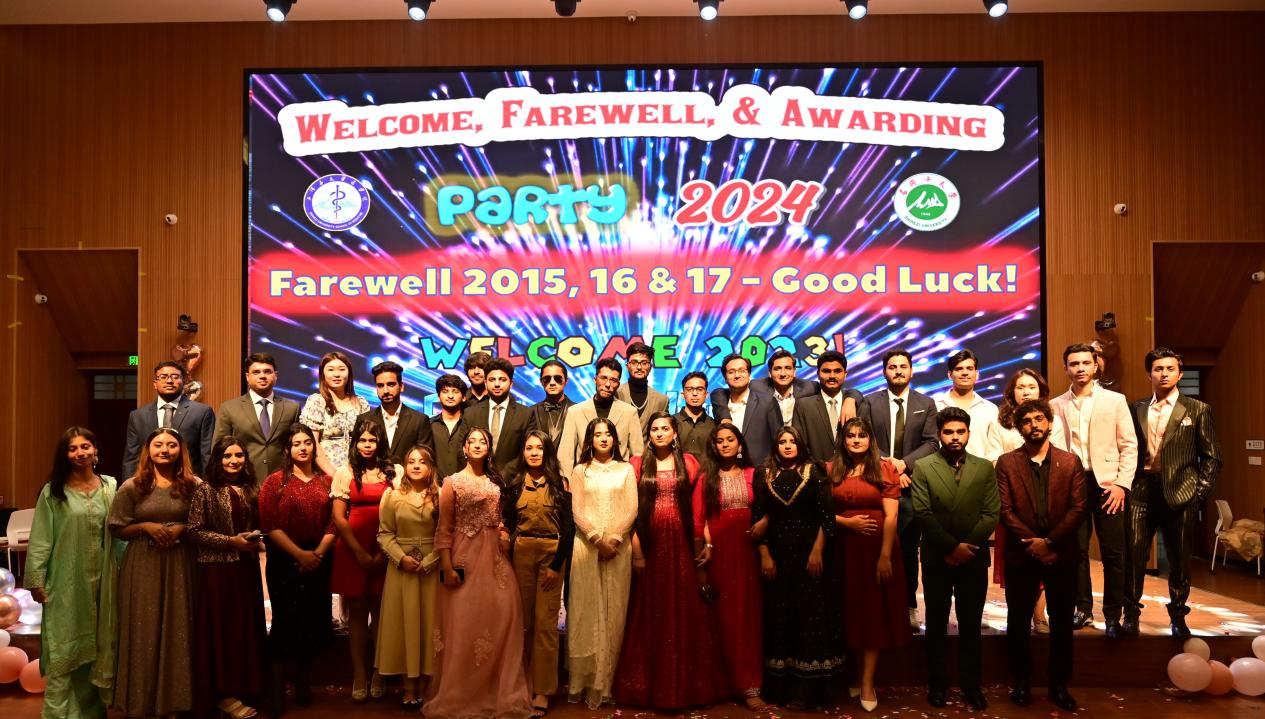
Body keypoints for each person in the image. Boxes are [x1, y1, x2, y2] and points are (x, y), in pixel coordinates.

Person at [614, 412, 728, 709]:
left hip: (681, 544)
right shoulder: (636, 464)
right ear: (649, 434)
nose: (660, 433)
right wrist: (637, 552)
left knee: (685, 608)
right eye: (655, 429)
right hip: (650, 543)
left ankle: (687, 686)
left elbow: (699, 509)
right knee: (650, 609)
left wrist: (707, 541)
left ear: (675, 433)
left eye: (665, 428)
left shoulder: (689, 463)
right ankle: (651, 686)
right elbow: (631, 513)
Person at [423, 428, 533, 718]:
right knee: (463, 623)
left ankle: (494, 691)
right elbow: (444, 527)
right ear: (464, 448)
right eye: (471, 441)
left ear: (489, 448)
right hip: (463, 555)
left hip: (494, 557)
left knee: (502, 616)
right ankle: (459, 694)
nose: (476, 445)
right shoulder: (452, 482)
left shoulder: (496, 481)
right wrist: (446, 565)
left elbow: (500, 519)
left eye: (482, 441)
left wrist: (505, 532)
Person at [995, 400, 1087, 712]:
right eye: (1027, 421)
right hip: (1022, 554)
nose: (1034, 425)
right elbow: (1005, 510)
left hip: (1061, 554)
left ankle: (1059, 683)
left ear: (1049, 423)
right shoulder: (1007, 463)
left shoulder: (1070, 462)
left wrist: (1049, 543)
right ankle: (1021, 681)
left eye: (1039, 419)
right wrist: (1033, 544)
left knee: (1061, 623)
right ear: (1018, 427)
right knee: (1018, 621)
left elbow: (1078, 508)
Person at [1125, 348, 1222, 638]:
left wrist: (1198, 493)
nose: (1164, 374)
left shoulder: (1197, 409)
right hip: (1141, 490)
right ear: (1149, 374)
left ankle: (1178, 616)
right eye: (1158, 369)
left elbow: (1212, 457)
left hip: (1181, 492)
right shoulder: (1136, 407)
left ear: (1179, 374)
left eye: (1170, 369)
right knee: (1134, 556)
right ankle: (1131, 615)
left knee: (1179, 560)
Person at [26, 427, 121, 719]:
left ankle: (92, 713)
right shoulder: (53, 492)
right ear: (65, 455)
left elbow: (119, 533)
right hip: (66, 580)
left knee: (98, 646)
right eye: (72, 448)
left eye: (85, 446)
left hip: (104, 582)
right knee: (65, 647)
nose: (80, 453)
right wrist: (36, 579)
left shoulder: (109, 487)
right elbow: (41, 539)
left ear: (95, 450)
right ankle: (57, 714)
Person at [108, 427, 200, 718]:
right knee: (143, 628)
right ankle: (141, 701)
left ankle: (177, 702)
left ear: (180, 450)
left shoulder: (194, 485)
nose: (164, 450)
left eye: (171, 445)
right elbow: (116, 527)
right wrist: (144, 527)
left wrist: (183, 528)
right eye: (158, 445)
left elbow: (205, 524)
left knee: (179, 628)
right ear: (148, 450)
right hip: (143, 563)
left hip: (182, 563)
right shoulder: (132, 486)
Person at [911, 407, 998, 711]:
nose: (955, 437)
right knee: (935, 624)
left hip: (973, 557)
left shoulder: (984, 467)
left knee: (971, 625)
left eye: (960, 431)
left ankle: (971, 685)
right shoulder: (923, 466)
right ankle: (938, 685)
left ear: (969, 434)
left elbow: (991, 514)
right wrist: (951, 548)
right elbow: (922, 512)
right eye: (948, 432)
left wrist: (965, 547)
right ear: (939, 435)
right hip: (937, 557)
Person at [751, 426, 842, 709]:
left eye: (792, 441)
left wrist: (817, 551)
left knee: (809, 619)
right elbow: (757, 518)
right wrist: (765, 555)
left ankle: (809, 691)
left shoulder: (814, 471)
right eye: (782, 441)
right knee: (781, 619)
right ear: (775, 445)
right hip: (778, 555)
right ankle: (781, 689)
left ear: (801, 444)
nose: (788, 445)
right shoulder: (763, 473)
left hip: (810, 554)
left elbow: (826, 516)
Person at [1050, 342, 1137, 636]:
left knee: (1114, 553)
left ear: (1096, 365)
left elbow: (1129, 445)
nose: (1080, 368)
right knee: (1076, 552)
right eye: (1074, 364)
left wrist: (1122, 484)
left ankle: (1113, 615)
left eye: (1085, 363)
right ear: (1066, 368)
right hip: (1073, 484)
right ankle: (1083, 609)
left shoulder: (1115, 400)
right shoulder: (1056, 404)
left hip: (1109, 485)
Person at [829, 417, 908, 713]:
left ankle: (867, 682)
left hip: (876, 549)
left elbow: (892, 516)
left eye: (862, 435)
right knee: (851, 612)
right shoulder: (832, 469)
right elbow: (820, 511)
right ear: (843, 440)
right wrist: (846, 523)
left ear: (870, 439)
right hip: (843, 548)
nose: (856, 440)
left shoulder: (884, 468)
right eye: (850, 435)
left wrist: (885, 556)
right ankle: (856, 674)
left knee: (873, 615)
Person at [187, 436, 268, 719]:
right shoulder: (206, 490)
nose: (234, 461)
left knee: (245, 629)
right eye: (227, 456)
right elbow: (194, 531)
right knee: (223, 632)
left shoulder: (251, 488)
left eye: (239, 455)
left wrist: (255, 538)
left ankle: (245, 687)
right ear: (217, 459)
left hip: (246, 569)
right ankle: (223, 694)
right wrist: (231, 541)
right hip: (217, 571)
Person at [858, 348, 938, 632]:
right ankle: (878, 605)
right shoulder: (870, 402)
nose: (898, 371)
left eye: (903, 366)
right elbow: (863, 438)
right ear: (884, 372)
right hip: (876, 484)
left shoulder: (926, 403)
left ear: (911, 370)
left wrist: (904, 465)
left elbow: (932, 442)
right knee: (875, 547)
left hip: (910, 486)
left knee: (907, 550)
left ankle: (909, 605)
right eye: (892, 366)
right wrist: (889, 468)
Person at [258, 423, 335, 716]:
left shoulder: (327, 482)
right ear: (287, 449)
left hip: (318, 559)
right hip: (284, 562)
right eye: (297, 443)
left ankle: (304, 683)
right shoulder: (274, 482)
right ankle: (277, 690)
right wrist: (300, 555)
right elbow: (270, 525)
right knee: (284, 624)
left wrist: (316, 554)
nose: (303, 448)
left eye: (307, 443)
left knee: (311, 624)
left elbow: (334, 523)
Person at [984, 368, 1068, 633]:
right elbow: (993, 456)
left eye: (1031, 386)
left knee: (1047, 556)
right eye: (1020, 387)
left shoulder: (1052, 419)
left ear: (1040, 390)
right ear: (1012, 392)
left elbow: (1061, 455)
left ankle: (1039, 613)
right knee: (1018, 561)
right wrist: (1014, 472)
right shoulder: (1000, 421)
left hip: (1048, 495)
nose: (1026, 391)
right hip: (1012, 496)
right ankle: (1020, 613)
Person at [566, 417, 638, 709]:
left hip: (619, 549)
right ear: (590, 439)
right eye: (598, 434)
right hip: (586, 547)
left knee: (615, 610)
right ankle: (584, 681)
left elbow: (632, 509)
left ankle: (609, 682)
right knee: (585, 611)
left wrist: (615, 539)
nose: (604, 438)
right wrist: (597, 540)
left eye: (608, 434)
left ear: (615, 439)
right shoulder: (580, 470)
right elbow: (577, 511)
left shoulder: (626, 469)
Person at [502, 430, 574, 717]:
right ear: (523, 452)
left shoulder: (559, 484)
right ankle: (522, 684)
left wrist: (556, 566)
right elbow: (508, 522)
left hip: (550, 554)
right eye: (529, 448)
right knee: (524, 623)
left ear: (547, 452)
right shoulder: (515, 485)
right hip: (522, 552)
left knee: (546, 625)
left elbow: (568, 528)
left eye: (539, 448)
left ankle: (543, 690)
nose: (534, 453)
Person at [697, 424, 765, 710]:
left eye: (730, 440)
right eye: (719, 441)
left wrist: (765, 523)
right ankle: (723, 684)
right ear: (713, 447)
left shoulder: (753, 474)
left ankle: (749, 684)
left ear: (740, 445)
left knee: (747, 617)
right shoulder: (706, 478)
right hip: (719, 555)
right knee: (722, 619)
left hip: (749, 553)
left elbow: (767, 508)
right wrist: (708, 545)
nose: (725, 444)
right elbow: (699, 518)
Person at [330, 416, 396, 702]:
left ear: (380, 442)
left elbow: (400, 512)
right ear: (355, 443)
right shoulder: (344, 472)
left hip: (386, 547)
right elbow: (338, 518)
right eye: (362, 440)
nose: (367, 445)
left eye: (372, 440)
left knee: (382, 614)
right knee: (357, 616)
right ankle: (359, 675)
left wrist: (383, 552)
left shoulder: (395, 472)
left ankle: (379, 673)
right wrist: (359, 553)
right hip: (352, 548)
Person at [375, 445, 440, 708]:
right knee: (403, 625)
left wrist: (430, 560)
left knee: (428, 625)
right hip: (401, 568)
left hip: (430, 570)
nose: (416, 465)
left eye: (422, 461)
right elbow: (384, 534)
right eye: (411, 461)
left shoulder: (441, 495)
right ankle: (408, 686)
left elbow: (447, 534)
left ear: (430, 467)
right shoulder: (391, 496)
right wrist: (401, 558)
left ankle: (426, 684)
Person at [214, 353, 301, 484]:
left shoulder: (291, 408)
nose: (262, 376)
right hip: (243, 482)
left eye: (267, 371)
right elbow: (218, 450)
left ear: (275, 376)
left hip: (283, 481)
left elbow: (298, 446)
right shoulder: (229, 408)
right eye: (256, 372)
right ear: (247, 377)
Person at [123, 360, 216, 478]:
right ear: (155, 383)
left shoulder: (202, 412)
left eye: (175, 377)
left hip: (189, 482)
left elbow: (206, 454)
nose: (169, 381)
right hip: (148, 483)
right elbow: (132, 458)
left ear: (184, 382)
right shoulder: (138, 416)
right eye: (163, 377)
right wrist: (130, 486)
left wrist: (207, 486)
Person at [558, 358, 644, 476]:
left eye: (613, 380)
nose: (608, 384)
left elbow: (637, 454)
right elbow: (565, 455)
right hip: (585, 480)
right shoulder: (575, 412)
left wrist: (632, 482)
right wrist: (568, 482)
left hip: (618, 480)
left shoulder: (629, 412)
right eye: (603, 378)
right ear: (595, 379)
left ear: (618, 384)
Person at [300, 351, 372, 478]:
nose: (337, 374)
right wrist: (335, 475)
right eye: (331, 369)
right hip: (326, 475)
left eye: (342, 369)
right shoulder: (317, 401)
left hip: (359, 474)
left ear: (349, 373)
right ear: (323, 374)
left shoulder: (361, 403)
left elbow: (369, 439)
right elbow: (312, 443)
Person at [465, 357, 536, 474]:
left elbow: (528, 449)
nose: (497, 384)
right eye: (492, 380)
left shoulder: (525, 413)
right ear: (485, 383)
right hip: (477, 477)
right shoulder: (470, 413)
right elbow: (462, 448)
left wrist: (505, 476)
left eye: (502, 380)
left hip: (513, 479)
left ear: (511, 383)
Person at [357, 360, 435, 465]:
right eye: (380, 385)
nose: (385, 391)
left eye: (391, 384)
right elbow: (356, 457)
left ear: (401, 386)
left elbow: (426, 459)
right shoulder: (364, 419)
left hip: (407, 475)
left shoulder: (419, 420)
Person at [711, 354, 783, 465]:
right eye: (731, 372)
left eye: (742, 371)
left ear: (749, 375)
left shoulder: (767, 402)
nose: (737, 375)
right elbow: (716, 393)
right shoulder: (720, 403)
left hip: (760, 469)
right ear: (725, 378)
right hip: (727, 468)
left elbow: (779, 438)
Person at [793, 350, 863, 463]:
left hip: (852, 469)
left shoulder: (856, 403)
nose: (832, 376)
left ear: (845, 374)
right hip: (815, 471)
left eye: (837, 371)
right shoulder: (803, 406)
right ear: (818, 374)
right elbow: (800, 446)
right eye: (826, 371)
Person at [933, 350, 999, 458]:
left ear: (977, 374)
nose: (965, 373)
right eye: (959, 369)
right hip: (941, 466)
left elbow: (994, 448)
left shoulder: (990, 409)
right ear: (950, 375)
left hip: (980, 467)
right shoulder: (934, 404)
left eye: (969, 368)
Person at [752, 348, 822, 426]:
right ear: (770, 373)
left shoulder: (811, 388)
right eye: (778, 369)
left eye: (788, 368)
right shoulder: (756, 387)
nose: (783, 374)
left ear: (794, 371)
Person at [616, 341, 669, 431]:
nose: (639, 367)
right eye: (634, 363)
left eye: (644, 363)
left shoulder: (662, 400)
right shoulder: (615, 394)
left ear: (650, 367)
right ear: (627, 366)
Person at [430, 373, 471, 480]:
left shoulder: (471, 425)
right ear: (438, 397)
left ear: (464, 397)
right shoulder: (429, 425)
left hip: (466, 484)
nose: (450, 396)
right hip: (435, 486)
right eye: (445, 391)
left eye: (455, 392)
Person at [529, 359, 574, 446]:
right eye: (547, 379)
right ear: (541, 382)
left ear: (566, 381)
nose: (552, 382)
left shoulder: (578, 411)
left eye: (558, 378)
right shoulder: (531, 412)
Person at [674, 371, 717, 459]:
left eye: (700, 389)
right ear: (683, 395)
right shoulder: (671, 422)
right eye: (689, 389)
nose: (694, 394)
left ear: (706, 395)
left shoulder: (714, 425)